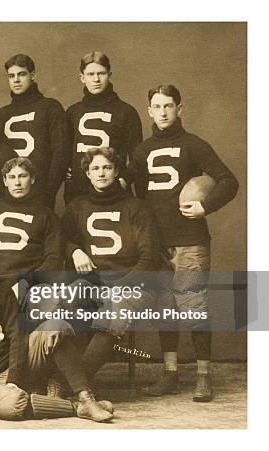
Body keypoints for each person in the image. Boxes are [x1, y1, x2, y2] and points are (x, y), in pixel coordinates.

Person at [128, 84, 239, 402]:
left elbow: (229, 180)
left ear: (180, 108)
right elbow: (134, 189)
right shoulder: (142, 150)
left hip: (190, 241)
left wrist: (206, 206)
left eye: (168, 106)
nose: (162, 112)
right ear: (149, 110)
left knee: (194, 308)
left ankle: (204, 376)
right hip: (157, 244)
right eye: (157, 106)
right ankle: (171, 374)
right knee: (165, 310)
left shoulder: (194, 145)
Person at [0, 240, 113, 422]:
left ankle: (86, 399)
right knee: (13, 406)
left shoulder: (3, 292)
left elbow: (18, 336)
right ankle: (75, 408)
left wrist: (14, 379)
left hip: (18, 366)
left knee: (54, 327)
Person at [61, 146, 160, 384]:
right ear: (87, 173)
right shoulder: (77, 206)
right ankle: (62, 381)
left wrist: (120, 287)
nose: (101, 173)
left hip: (133, 285)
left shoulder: (137, 207)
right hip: (94, 283)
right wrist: (74, 251)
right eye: (95, 168)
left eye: (107, 167)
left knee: (112, 315)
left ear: (116, 171)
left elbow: (150, 257)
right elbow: (58, 238)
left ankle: (72, 386)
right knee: (61, 306)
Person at [63, 51, 142, 202]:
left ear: (109, 74)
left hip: (114, 191)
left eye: (101, 73)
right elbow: (63, 151)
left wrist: (124, 179)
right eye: (90, 74)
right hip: (78, 192)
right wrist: (66, 172)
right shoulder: (72, 112)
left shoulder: (126, 111)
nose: (96, 79)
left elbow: (137, 158)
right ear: (82, 77)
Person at [0, 54, 68, 208]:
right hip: (9, 194)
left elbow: (60, 153)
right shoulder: (2, 114)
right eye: (11, 76)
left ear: (33, 75)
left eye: (22, 74)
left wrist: (49, 191)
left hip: (41, 192)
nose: (16, 80)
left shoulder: (50, 107)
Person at [0, 157, 60, 286]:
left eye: (22, 176)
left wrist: (28, 282)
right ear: (5, 181)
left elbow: (54, 258)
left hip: (31, 285)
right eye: (12, 177)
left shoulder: (46, 215)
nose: (17, 183)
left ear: (32, 179)